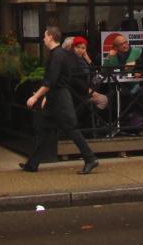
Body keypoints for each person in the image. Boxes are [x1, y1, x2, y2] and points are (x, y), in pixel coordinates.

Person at [21, 26, 98, 174]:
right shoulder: (59, 54)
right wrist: (46, 98)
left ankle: (90, 158)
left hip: (60, 98)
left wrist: (36, 96)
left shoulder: (57, 55)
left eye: (45, 36)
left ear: (50, 37)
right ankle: (32, 164)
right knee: (44, 130)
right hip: (55, 97)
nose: (43, 39)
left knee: (71, 129)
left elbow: (51, 80)